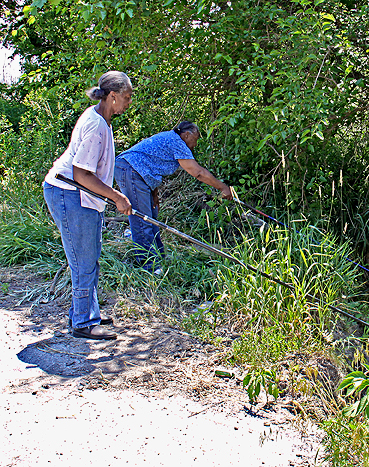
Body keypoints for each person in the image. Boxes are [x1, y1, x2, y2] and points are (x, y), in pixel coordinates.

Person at [43, 71, 133, 340]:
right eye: (127, 97)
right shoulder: (96, 126)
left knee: (89, 257)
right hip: (69, 193)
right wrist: (116, 196)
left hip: (82, 196)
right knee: (83, 260)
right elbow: (81, 174)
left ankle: (85, 311)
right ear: (113, 96)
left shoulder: (102, 119)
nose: (129, 102)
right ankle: (83, 322)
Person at [114, 121, 232, 272]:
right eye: (195, 139)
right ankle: (148, 266)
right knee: (143, 219)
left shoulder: (171, 139)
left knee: (151, 218)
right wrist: (223, 187)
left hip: (136, 172)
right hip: (130, 169)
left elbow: (152, 166)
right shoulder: (176, 142)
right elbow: (198, 172)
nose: (195, 144)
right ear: (186, 135)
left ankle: (158, 257)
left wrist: (154, 194)